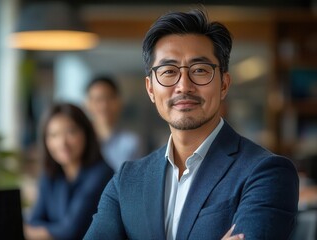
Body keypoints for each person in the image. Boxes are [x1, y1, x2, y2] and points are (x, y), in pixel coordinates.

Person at [84, 8, 299, 240]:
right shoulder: (127, 180)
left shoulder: (266, 172)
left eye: (199, 70)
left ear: (224, 84)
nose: (184, 86)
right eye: (168, 71)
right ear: (150, 89)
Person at [23, 103, 113, 240]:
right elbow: (35, 220)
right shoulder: (51, 173)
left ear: (86, 133)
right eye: (54, 135)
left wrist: (32, 231)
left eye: (71, 132)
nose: (62, 143)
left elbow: (70, 231)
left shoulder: (101, 174)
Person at [85, 75, 144, 172]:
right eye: (98, 100)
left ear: (119, 102)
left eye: (109, 98)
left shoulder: (132, 143)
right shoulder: (81, 141)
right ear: (87, 104)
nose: (104, 106)